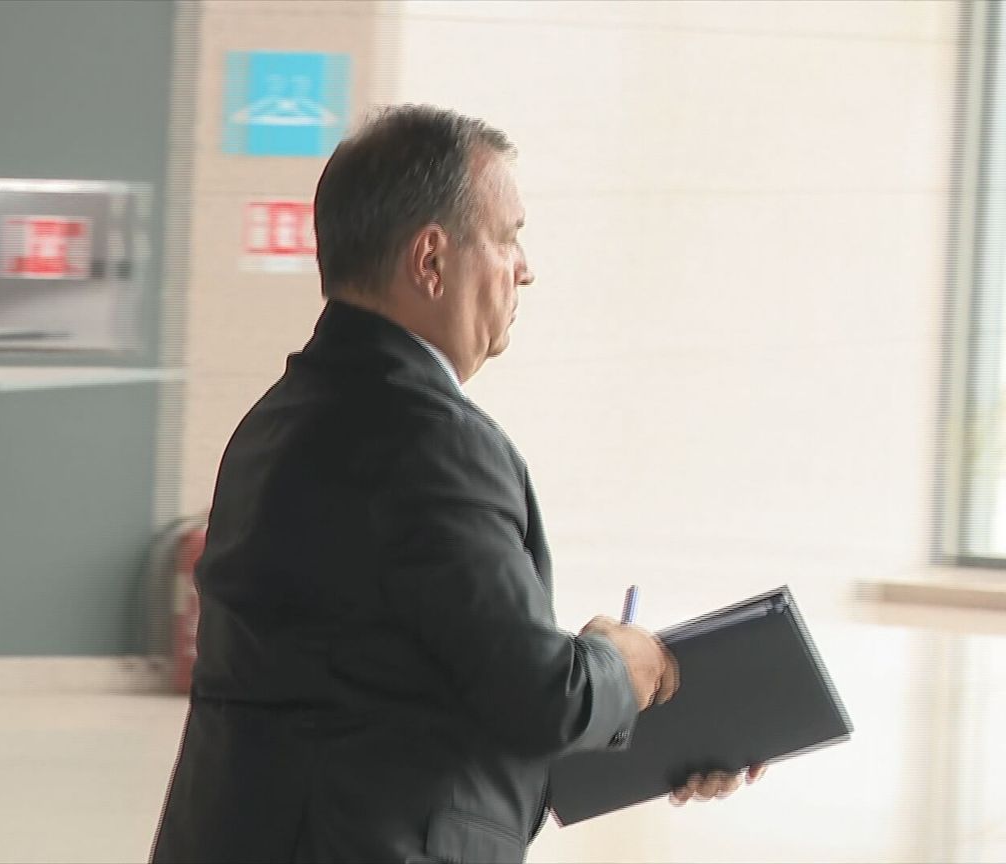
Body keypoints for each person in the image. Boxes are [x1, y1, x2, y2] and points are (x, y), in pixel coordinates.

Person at [151, 105, 760, 864]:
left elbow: (395, 689)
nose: (524, 268)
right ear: (431, 259)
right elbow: (539, 696)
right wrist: (625, 667)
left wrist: (647, 727)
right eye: (507, 237)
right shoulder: (431, 440)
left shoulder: (278, 420)